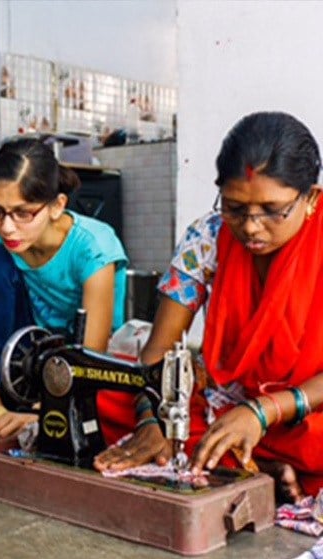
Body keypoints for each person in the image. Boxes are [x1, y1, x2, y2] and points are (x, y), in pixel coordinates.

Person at [94, 111, 323, 504]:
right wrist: (151, 422)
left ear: (311, 200)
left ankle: (236, 461)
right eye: (235, 208)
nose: (251, 227)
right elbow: (156, 356)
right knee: (110, 393)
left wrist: (264, 411)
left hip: (305, 409)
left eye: (272, 210)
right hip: (229, 409)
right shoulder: (209, 237)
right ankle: (252, 466)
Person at [0, 137, 128, 439]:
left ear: (57, 206)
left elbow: (90, 354)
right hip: (22, 354)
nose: (7, 227)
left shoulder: (93, 248)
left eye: (23, 213)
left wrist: (44, 412)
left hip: (75, 357)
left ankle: (23, 407)